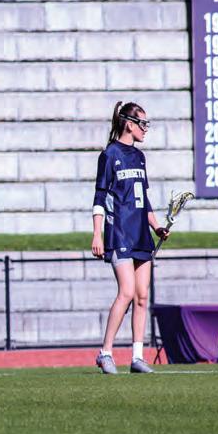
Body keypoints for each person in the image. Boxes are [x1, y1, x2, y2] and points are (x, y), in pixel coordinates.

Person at [91, 101, 169, 375]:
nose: (145, 129)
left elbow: (143, 199)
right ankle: (105, 352)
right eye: (142, 123)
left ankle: (137, 357)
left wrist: (156, 227)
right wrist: (97, 233)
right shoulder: (109, 154)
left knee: (142, 296)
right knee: (126, 291)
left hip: (140, 234)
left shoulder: (140, 157)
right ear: (128, 123)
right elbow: (100, 196)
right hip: (119, 233)